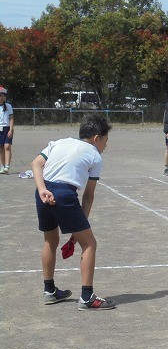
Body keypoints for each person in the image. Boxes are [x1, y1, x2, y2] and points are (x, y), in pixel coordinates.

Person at [31, 114, 116, 310]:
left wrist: (42, 189)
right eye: (105, 140)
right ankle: (87, 297)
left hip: (43, 191)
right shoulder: (95, 156)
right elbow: (88, 196)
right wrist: (80, 230)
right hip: (64, 194)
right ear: (96, 138)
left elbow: (35, 164)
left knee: (50, 240)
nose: (106, 145)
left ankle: (49, 291)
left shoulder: (59, 142)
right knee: (89, 243)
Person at [0, 86, 15, 174]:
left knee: (7, 146)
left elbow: (11, 118)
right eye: (1, 95)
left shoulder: (8, 106)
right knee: (1, 148)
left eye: (4, 95)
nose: (2, 97)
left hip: (7, 128)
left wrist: (11, 129)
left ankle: (7, 166)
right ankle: (3, 166)